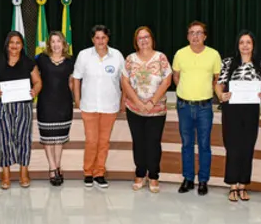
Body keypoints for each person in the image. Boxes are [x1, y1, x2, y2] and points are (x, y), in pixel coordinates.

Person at [0, 31, 42, 189]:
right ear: (7, 44)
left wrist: (35, 91)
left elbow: (38, 82)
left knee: (23, 138)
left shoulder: (28, 62)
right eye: (12, 43)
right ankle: (5, 173)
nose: (14, 46)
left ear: (22, 45)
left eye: (18, 43)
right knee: (4, 138)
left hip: (24, 105)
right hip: (2, 105)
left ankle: (24, 172)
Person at [215, 31, 261, 202]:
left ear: (253, 45)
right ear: (237, 45)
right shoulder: (228, 62)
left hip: (251, 110)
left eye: (248, 42)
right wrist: (221, 96)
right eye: (241, 42)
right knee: (233, 147)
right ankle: (232, 185)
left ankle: (244, 184)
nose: (245, 46)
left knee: (247, 147)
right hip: (232, 110)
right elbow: (219, 84)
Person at [172, 21, 222, 196]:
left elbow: (217, 79)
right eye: (192, 33)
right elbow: (176, 77)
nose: (195, 36)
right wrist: (186, 92)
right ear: (187, 36)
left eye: (199, 33)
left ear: (205, 36)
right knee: (186, 144)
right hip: (184, 105)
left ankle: (203, 180)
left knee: (204, 144)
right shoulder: (180, 54)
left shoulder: (214, 55)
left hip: (204, 106)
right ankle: (187, 178)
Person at [72, 25, 125, 188]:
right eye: (97, 38)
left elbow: (124, 81)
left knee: (104, 142)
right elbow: (76, 78)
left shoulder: (117, 56)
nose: (100, 41)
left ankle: (99, 173)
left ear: (108, 38)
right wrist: (77, 99)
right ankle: (88, 172)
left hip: (110, 106)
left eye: (103, 37)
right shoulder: (84, 55)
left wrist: (123, 101)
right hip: (89, 105)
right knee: (91, 141)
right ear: (92, 39)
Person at [121, 26, 172, 193]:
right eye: (140, 38)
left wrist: (152, 101)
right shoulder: (130, 59)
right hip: (134, 109)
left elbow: (167, 81)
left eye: (146, 37)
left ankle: (154, 176)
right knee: (139, 142)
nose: (143, 41)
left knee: (153, 143)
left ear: (152, 39)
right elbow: (125, 82)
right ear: (136, 41)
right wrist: (138, 102)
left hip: (156, 110)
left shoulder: (161, 58)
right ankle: (140, 173)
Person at [36, 31, 75, 186]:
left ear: (64, 43)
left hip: (64, 103)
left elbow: (73, 83)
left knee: (59, 138)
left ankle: (57, 165)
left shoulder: (71, 61)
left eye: (59, 41)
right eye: (53, 41)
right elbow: (33, 76)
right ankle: (52, 167)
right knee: (47, 138)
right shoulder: (42, 60)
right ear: (49, 44)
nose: (56, 44)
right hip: (46, 103)